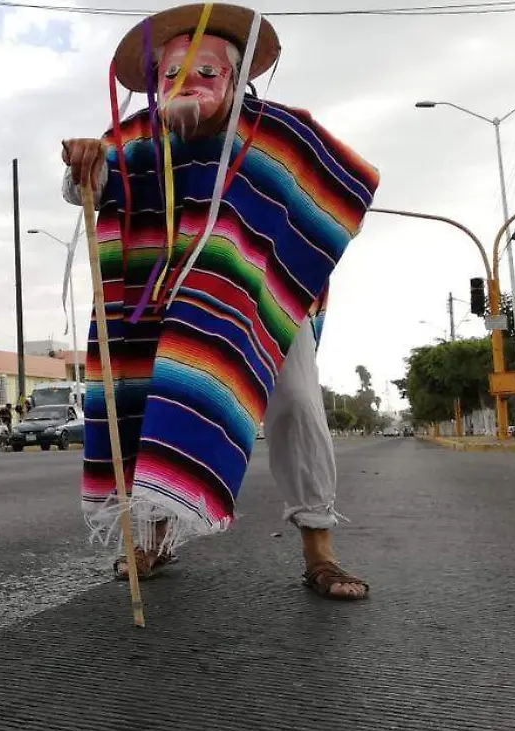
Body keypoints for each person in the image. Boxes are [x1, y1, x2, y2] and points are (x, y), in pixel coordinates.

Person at [61, 2, 377, 600]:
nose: (187, 86)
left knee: (298, 405)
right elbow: (90, 183)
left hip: (262, 300)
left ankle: (319, 550)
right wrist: (85, 161)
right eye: (171, 74)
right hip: (162, 299)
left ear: (235, 78)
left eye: (204, 73)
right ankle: (154, 537)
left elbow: (333, 188)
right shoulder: (134, 137)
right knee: (150, 401)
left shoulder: (278, 133)